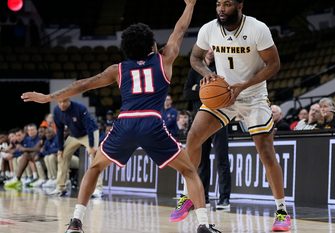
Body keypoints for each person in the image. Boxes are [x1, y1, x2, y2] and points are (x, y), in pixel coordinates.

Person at [21, 0, 221, 232]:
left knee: (95, 169)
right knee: (188, 171)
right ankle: (203, 224)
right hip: (151, 121)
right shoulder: (165, 59)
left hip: (125, 123)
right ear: (152, 45)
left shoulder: (118, 69)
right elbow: (179, 30)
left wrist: (47, 97)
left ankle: (76, 221)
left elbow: (83, 84)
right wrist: (190, 5)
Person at [171, 0, 291, 231]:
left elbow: (274, 64)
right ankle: (187, 197)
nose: (221, 9)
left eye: (227, 4)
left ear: (240, 6)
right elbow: (195, 59)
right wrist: (208, 75)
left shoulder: (257, 28)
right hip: (224, 94)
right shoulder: (209, 29)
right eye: (218, 4)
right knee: (194, 137)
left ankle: (282, 211)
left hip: (253, 95)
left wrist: (244, 86)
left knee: (265, 151)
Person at [183, 49, 231, 209]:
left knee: (222, 159)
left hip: (219, 117)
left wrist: (200, 88)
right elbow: (186, 93)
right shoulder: (195, 70)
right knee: (202, 161)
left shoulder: (222, 67)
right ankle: (203, 198)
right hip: (200, 119)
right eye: (208, 48)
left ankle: (224, 199)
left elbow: (225, 90)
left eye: (214, 48)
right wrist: (203, 90)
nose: (211, 51)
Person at [46, 98, 103, 198]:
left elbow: (89, 126)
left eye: (64, 101)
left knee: (93, 157)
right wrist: (60, 148)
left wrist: (91, 146)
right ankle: (60, 187)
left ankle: (98, 188)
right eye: (60, 102)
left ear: (69, 101)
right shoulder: (56, 111)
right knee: (62, 156)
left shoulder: (80, 108)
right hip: (74, 135)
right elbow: (59, 130)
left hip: (89, 133)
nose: (62, 104)